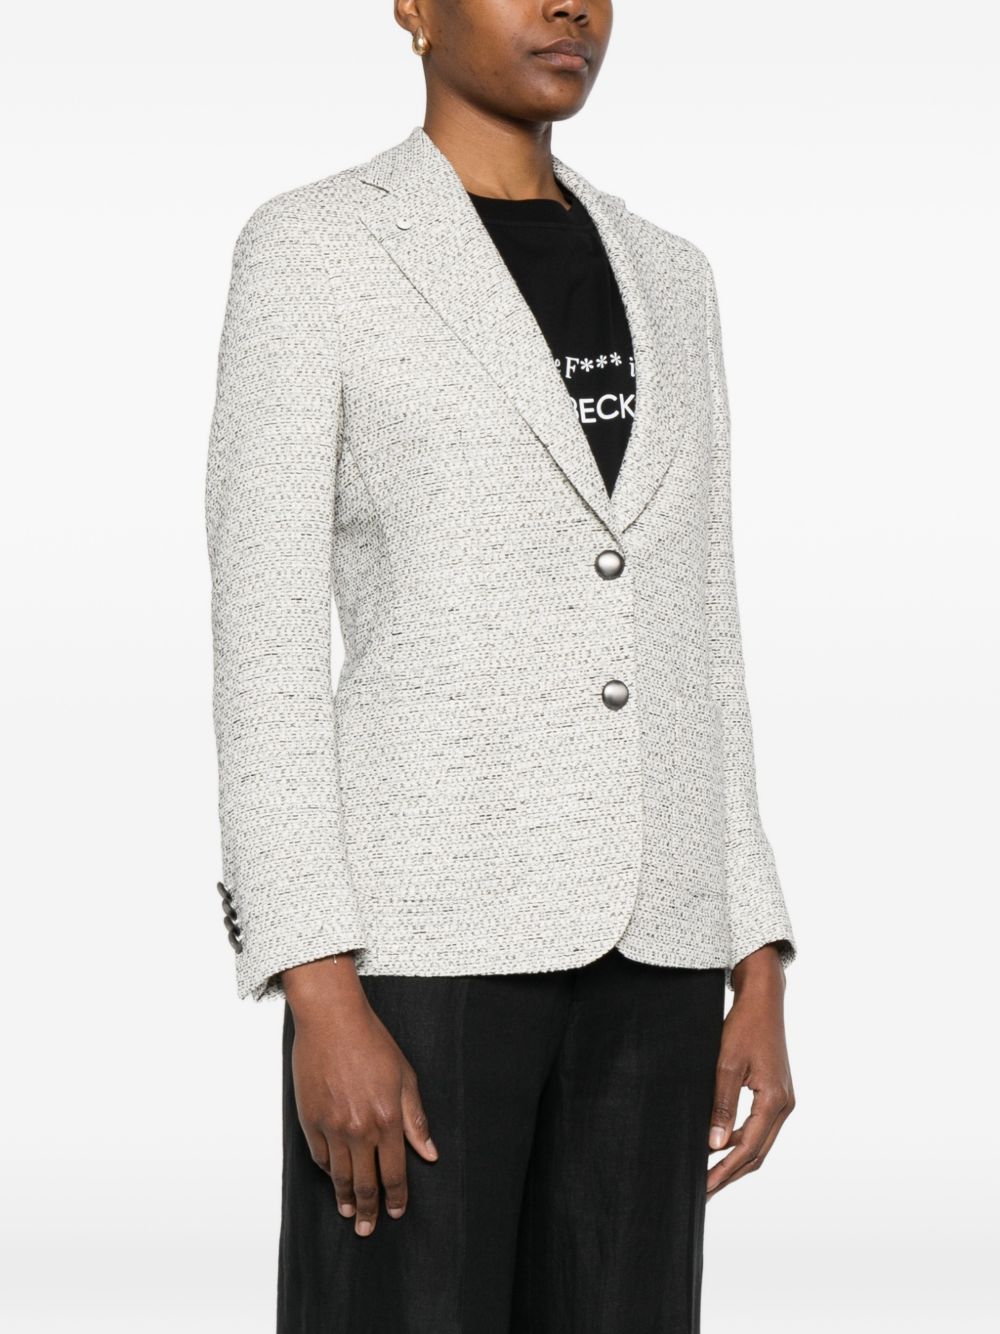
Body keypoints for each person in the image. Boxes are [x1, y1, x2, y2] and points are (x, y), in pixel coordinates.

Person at [205, 2, 798, 1330]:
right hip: (422, 951)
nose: (569, 5)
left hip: (658, 953)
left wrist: (755, 950)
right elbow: (264, 641)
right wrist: (316, 982)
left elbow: (702, 622)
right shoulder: (315, 250)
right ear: (413, 9)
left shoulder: (672, 275)